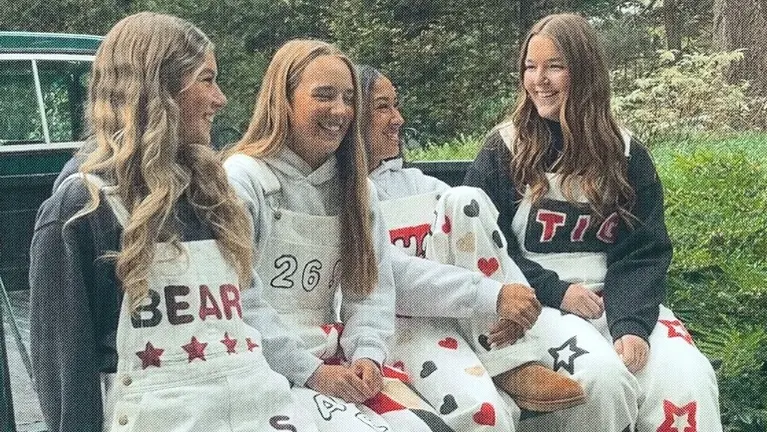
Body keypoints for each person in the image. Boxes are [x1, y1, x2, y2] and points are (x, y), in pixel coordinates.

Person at [29, 13, 319, 432]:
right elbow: (65, 374)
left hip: (258, 409)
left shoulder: (211, 195)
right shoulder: (82, 209)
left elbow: (247, 317)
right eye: (206, 80)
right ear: (158, 87)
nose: (220, 99)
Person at [464, 13, 723, 431]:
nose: (539, 80)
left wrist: (631, 326)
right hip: (539, 305)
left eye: (555, 66)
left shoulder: (626, 154)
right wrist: (558, 291)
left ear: (584, 72)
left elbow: (644, 252)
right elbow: (486, 248)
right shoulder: (505, 149)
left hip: (620, 302)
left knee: (687, 376)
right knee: (602, 380)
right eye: (530, 67)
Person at [223, 39, 449, 432]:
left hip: (333, 361)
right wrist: (310, 371)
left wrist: (368, 355)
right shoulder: (243, 180)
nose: (341, 110)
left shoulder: (357, 190)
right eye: (324, 96)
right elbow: (238, 300)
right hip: (259, 367)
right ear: (283, 101)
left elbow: (370, 290)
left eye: (348, 98)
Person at [358, 65, 587, 430]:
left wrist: (515, 300)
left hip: (463, 315)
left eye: (396, 105)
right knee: (485, 412)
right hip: (397, 327)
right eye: (383, 107)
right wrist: (495, 296)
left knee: (467, 200)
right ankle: (505, 361)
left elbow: (487, 241)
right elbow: (390, 277)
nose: (398, 118)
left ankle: (511, 359)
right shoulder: (344, 195)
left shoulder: (417, 184)